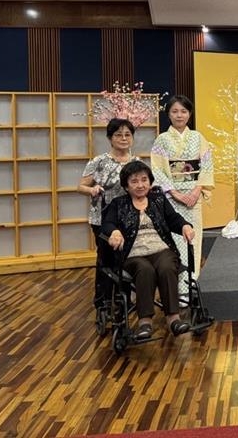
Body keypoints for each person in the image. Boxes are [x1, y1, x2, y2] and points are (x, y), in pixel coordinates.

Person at [101, 161, 195, 338]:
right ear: (126, 185)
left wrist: (185, 226)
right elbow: (108, 223)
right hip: (133, 254)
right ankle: (145, 322)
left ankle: (173, 319)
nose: (140, 185)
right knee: (145, 270)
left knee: (167, 266)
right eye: (134, 181)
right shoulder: (118, 203)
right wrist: (114, 232)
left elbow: (173, 218)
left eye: (144, 180)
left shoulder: (158, 199)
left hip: (161, 249)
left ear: (150, 182)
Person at [151, 95, 214, 300]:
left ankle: (192, 283)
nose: (179, 115)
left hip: (193, 195)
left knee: (194, 239)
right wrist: (175, 193)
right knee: (176, 240)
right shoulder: (161, 140)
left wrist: (196, 191)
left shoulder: (198, 137)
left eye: (184, 111)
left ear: (190, 114)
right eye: (175, 111)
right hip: (172, 197)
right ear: (168, 114)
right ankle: (178, 288)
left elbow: (207, 165)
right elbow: (157, 169)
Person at [78, 118, 140, 311]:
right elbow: (80, 186)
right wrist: (92, 189)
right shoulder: (99, 161)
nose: (123, 138)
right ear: (109, 138)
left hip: (129, 219)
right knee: (106, 259)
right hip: (102, 218)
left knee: (127, 258)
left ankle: (124, 299)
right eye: (118, 135)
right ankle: (103, 301)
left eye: (127, 135)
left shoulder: (136, 162)